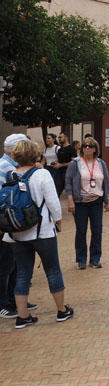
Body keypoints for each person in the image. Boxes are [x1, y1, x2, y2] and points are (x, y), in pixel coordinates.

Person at [4, 138, 73, 328]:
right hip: (42, 231)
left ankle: (23, 316)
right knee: (52, 269)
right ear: (35, 155)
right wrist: (58, 223)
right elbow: (53, 204)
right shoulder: (42, 174)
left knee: (22, 273)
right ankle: (61, 310)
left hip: (17, 232)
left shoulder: (11, 175)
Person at [0, 134, 37, 320]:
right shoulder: (6, 167)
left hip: (11, 225)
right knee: (6, 266)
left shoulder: (9, 166)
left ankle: (15, 300)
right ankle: (4, 303)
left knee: (14, 265)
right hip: (6, 225)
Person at [65, 137, 109, 269]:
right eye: (85, 146)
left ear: (95, 149)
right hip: (80, 202)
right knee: (81, 230)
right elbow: (68, 182)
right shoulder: (75, 163)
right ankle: (81, 260)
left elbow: (106, 183)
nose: (87, 148)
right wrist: (70, 201)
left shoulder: (101, 163)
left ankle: (95, 259)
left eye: (90, 146)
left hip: (96, 201)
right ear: (81, 149)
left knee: (97, 231)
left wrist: (108, 200)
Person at [53, 132, 77, 197]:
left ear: (66, 138)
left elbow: (74, 162)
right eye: (59, 137)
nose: (59, 139)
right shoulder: (60, 150)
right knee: (56, 190)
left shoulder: (71, 149)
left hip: (68, 172)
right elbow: (60, 160)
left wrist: (61, 165)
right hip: (59, 173)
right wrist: (56, 162)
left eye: (61, 137)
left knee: (70, 191)